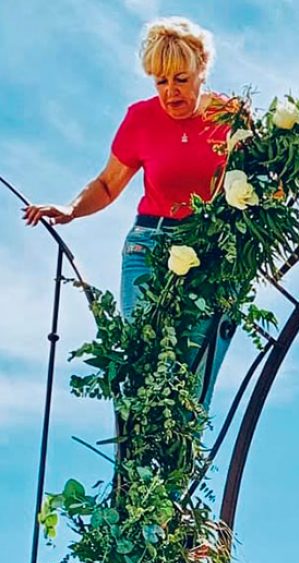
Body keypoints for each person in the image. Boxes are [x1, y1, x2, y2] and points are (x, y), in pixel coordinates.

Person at [23, 17, 235, 410]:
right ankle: (134, 463)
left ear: (202, 70)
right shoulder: (141, 119)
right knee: (144, 365)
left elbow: (259, 181)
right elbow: (107, 184)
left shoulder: (230, 117)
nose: (170, 93)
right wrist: (70, 209)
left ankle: (178, 466)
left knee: (192, 375)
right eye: (161, 82)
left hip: (208, 254)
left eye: (181, 80)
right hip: (148, 249)